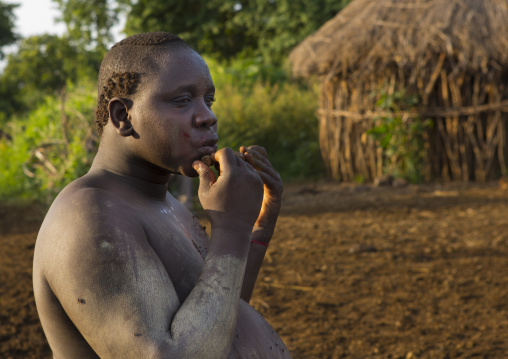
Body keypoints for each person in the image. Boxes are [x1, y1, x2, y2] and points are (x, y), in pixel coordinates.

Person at [33, 32, 291, 358]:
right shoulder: (88, 214)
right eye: (182, 100)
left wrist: (254, 231)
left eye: (208, 101)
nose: (207, 116)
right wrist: (230, 229)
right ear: (122, 117)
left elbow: (217, 320)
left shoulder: (164, 204)